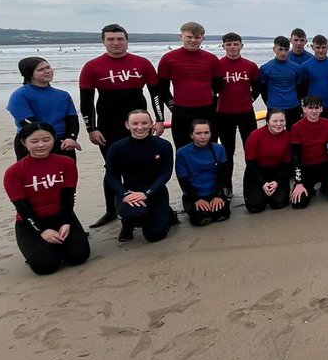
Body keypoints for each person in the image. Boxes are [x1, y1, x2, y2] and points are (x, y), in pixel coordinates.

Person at [79, 24, 163, 227]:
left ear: (127, 40)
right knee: (112, 169)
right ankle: (111, 210)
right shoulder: (92, 66)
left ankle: (149, 204)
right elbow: (86, 102)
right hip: (108, 126)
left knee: (145, 165)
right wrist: (92, 128)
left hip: (140, 124)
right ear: (103, 41)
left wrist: (159, 119)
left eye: (120, 39)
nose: (116, 43)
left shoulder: (142, 63)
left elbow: (156, 95)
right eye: (110, 39)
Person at [3, 121, 90, 275]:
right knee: (45, 266)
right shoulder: (14, 172)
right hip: (30, 222)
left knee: (79, 257)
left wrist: (66, 222)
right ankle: (41, 248)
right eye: (34, 141)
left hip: (61, 216)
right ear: (24, 142)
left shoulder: (66, 163)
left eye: (46, 140)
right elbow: (22, 206)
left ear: (54, 139)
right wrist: (42, 231)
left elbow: (68, 197)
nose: (41, 145)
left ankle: (58, 244)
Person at [105, 109, 176, 243]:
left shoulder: (163, 145)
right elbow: (111, 177)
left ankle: (166, 213)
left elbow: (166, 173)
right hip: (129, 192)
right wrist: (124, 194)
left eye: (144, 123)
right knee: (135, 214)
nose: (140, 127)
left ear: (151, 124)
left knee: (154, 235)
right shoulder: (116, 148)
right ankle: (127, 225)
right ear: (127, 125)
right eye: (135, 123)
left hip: (155, 191)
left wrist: (147, 193)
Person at [211, 32, 261, 196]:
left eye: (235, 44)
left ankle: (254, 181)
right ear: (223, 46)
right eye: (228, 44)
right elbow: (212, 88)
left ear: (241, 45)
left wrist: (249, 99)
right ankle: (227, 185)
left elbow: (257, 87)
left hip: (246, 113)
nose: (232, 47)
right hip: (223, 114)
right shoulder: (217, 65)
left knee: (252, 149)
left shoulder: (250, 66)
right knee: (227, 151)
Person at [157, 21, 218, 152]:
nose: (193, 40)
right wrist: (172, 106)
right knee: (183, 150)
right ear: (181, 37)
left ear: (203, 38)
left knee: (210, 148)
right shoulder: (168, 59)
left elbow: (219, 85)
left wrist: (212, 102)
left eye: (197, 37)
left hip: (207, 111)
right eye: (189, 37)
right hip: (181, 111)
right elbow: (162, 89)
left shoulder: (212, 59)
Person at [8, 57, 81, 162]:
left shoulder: (63, 95)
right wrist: (50, 140)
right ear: (29, 74)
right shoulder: (20, 95)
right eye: (41, 69)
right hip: (34, 143)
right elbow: (29, 124)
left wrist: (71, 138)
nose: (48, 71)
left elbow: (72, 119)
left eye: (48, 67)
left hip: (63, 143)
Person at [289, 96, 328, 207]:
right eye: (310, 108)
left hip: (324, 166)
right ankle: (309, 187)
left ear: (321, 109)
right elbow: (295, 156)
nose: (314, 111)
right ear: (304, 109)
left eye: (317, 108)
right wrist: (299, 182)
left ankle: (326, 186)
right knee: (298, 204)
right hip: (306, 168)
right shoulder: (296, 127)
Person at [175, 120, 231, 226]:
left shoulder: (219, 149)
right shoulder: (182, 153)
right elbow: (183, 179)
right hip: (194, 195)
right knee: (201, 219)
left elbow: (223, 174)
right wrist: (197, 199)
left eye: (206, 132)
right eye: (198, 133)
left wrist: (218, 195)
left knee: (222, 214)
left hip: (214, 193)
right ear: (191, 135)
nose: (203, 136)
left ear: (211, 133)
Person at [243, 109, 293, 212]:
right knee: (255, 207)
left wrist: (276, 181)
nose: (279, 124)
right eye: (275, 121)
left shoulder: (288, 136)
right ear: (267, 122)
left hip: (277, 172)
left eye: (282, 121)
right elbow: (250, 163)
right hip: (257, 172)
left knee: (279, 203)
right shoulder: (255, 136)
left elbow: (287, 163)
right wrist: (263, 183)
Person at [299, 35, 328, 134]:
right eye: (318, 47)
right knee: (314, 137)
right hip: (314, 109)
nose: (321, 50)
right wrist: (304, 108)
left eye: (323, 47)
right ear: (312, 47)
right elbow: (302, 90)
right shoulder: (305, 66)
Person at [260, 36, 304, 128]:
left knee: (294, 137)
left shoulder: (297, 68)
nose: (283, 53)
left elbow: (300, 88)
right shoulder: (265, 68)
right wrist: (269, 103)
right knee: (274, 136)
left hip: (293, 107)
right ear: (274, 49)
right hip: (274, 107)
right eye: (280, 49)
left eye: (286, 50)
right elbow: (263, 90)